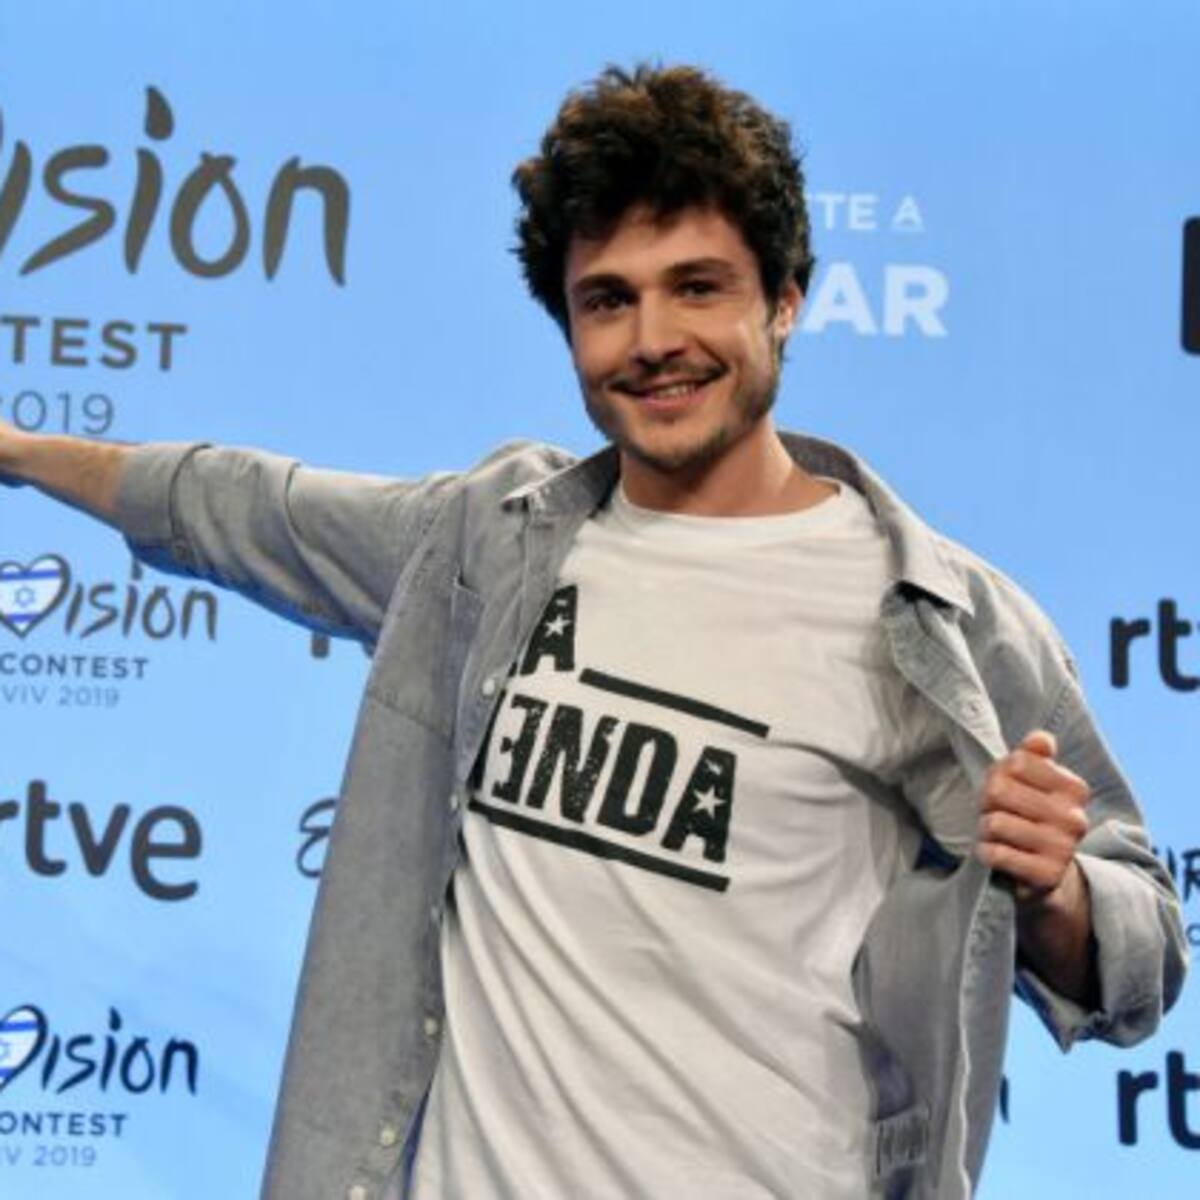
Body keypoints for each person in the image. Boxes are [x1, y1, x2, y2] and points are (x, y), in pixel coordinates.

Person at [0, 64, 1186, 1200]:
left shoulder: (944, 613)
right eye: (608, 299)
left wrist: (1055, 900)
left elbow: (1146, 954)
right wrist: (21, 452)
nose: (652, 338)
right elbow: (242, 507)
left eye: (698, 287)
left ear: (785, 301)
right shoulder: (486, 546)